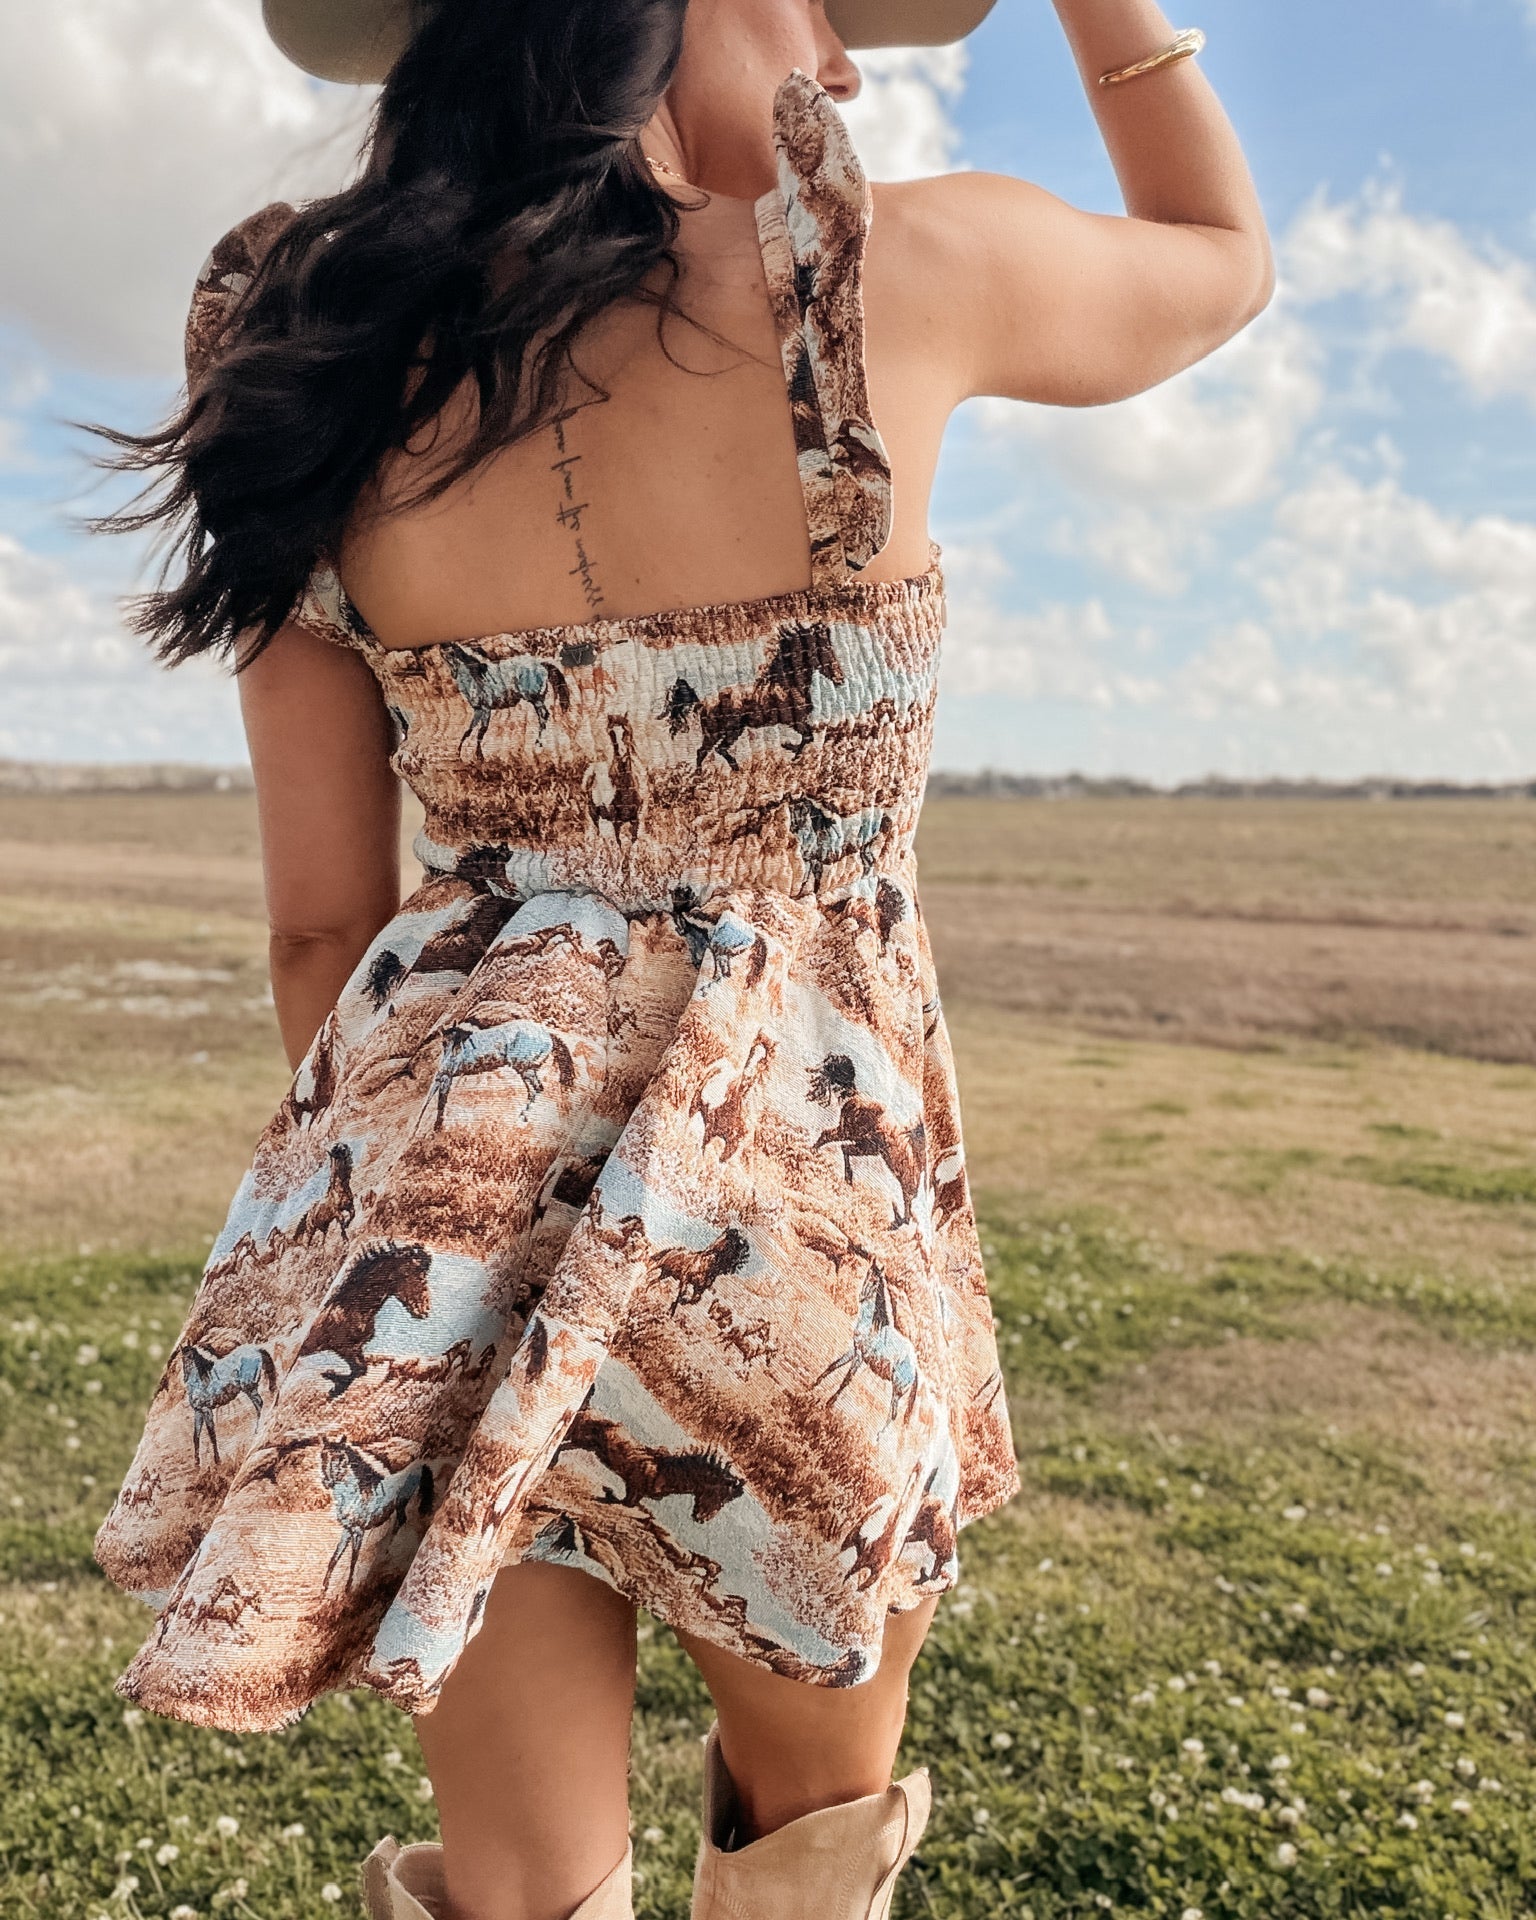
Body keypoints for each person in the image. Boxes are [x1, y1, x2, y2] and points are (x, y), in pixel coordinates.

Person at [88, 1, 1270, 1915]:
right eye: (823, 8)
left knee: (526, 1885)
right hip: (798, 1211)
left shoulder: (319, 346)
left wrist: (408, 1202)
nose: (851, 69)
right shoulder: (878, 271)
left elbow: (321, 922)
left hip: (459, 1216)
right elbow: (1220, 259)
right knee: (806, 1844)